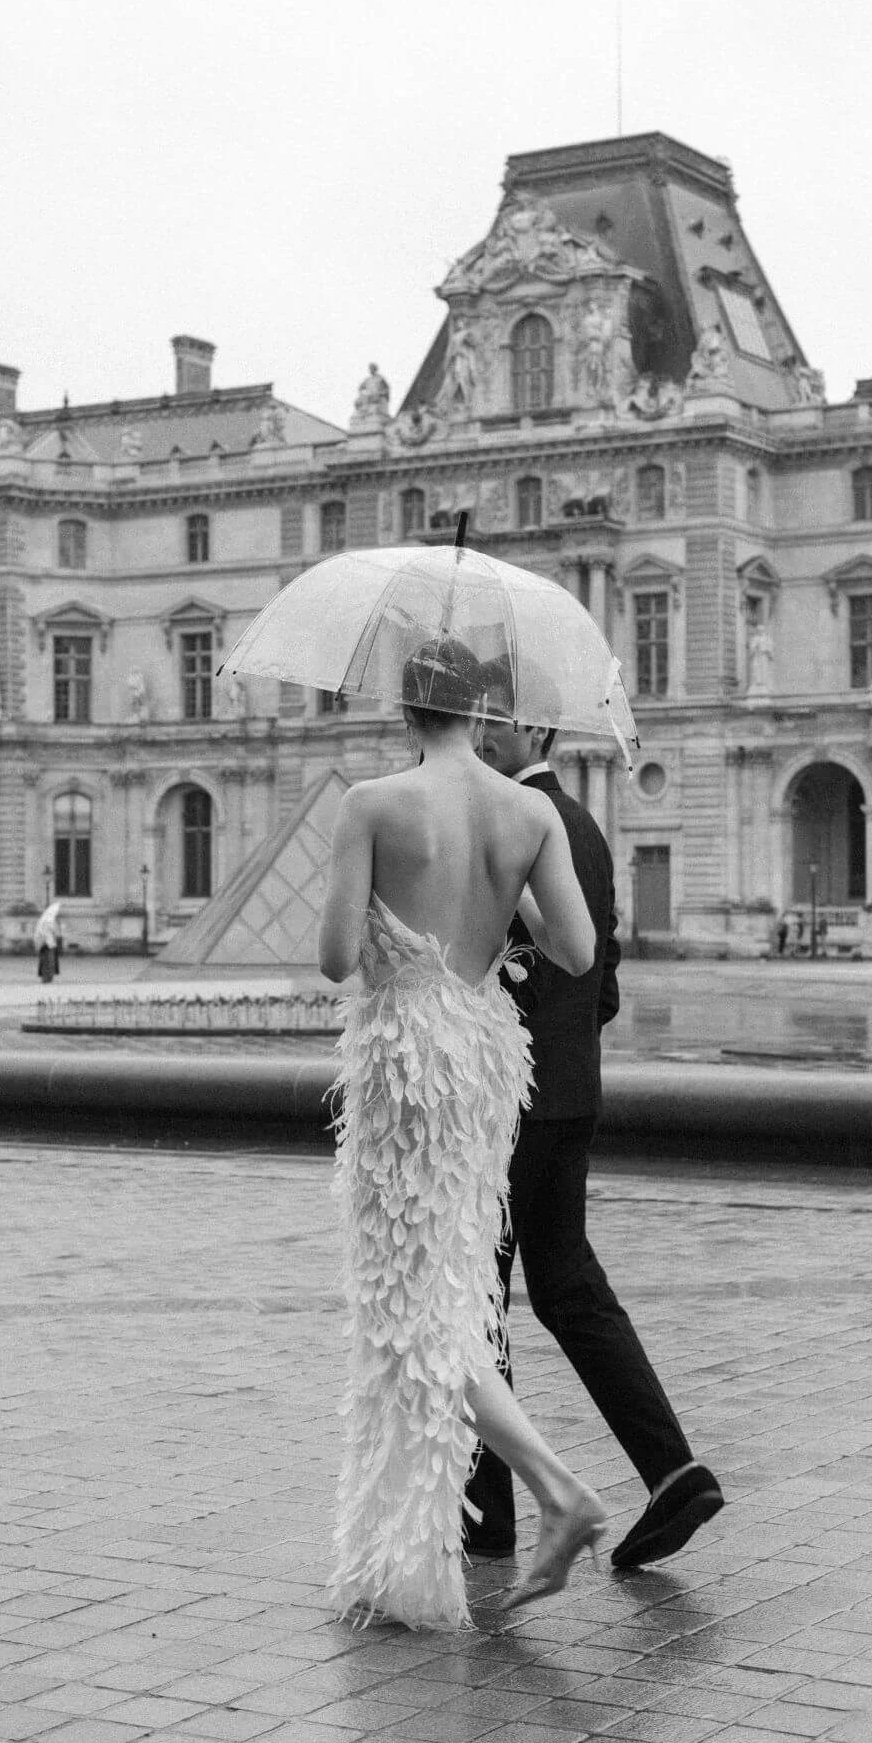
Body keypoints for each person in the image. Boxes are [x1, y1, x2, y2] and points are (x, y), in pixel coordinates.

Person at [318, 636, 605, 1630]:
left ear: (404, 709)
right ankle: (427, 1541)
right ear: (483, 711)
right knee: (445, 1288)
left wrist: (393, 919)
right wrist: (500, 896)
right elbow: (575, 950)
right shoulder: (530, 812)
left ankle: (560, 1489)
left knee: (410, 1306)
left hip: (408, 1059)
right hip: (483, 1057)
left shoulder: (372, 804)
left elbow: (334, 957)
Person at [466, 688, 723, 1573]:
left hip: (507, 1100)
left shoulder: (511, 818)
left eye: (496, 719)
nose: (480, 734)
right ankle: (673, 1472)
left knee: (475, 1298)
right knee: (568, 1288)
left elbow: (516, 972)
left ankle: (486, 1512)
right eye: (474, 719)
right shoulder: (584, 823)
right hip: (572, 1092)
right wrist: (566, 1050)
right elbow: (601, 977)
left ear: (538, 725)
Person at [34, 900, 62, 983]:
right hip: (49, 943)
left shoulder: (43, 920)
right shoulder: (50, 921)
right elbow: (56, 932)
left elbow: (39, 932)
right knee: (50, 961)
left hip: (43, 943)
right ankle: (48, 978)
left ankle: (45, 977)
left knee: (45, 961)